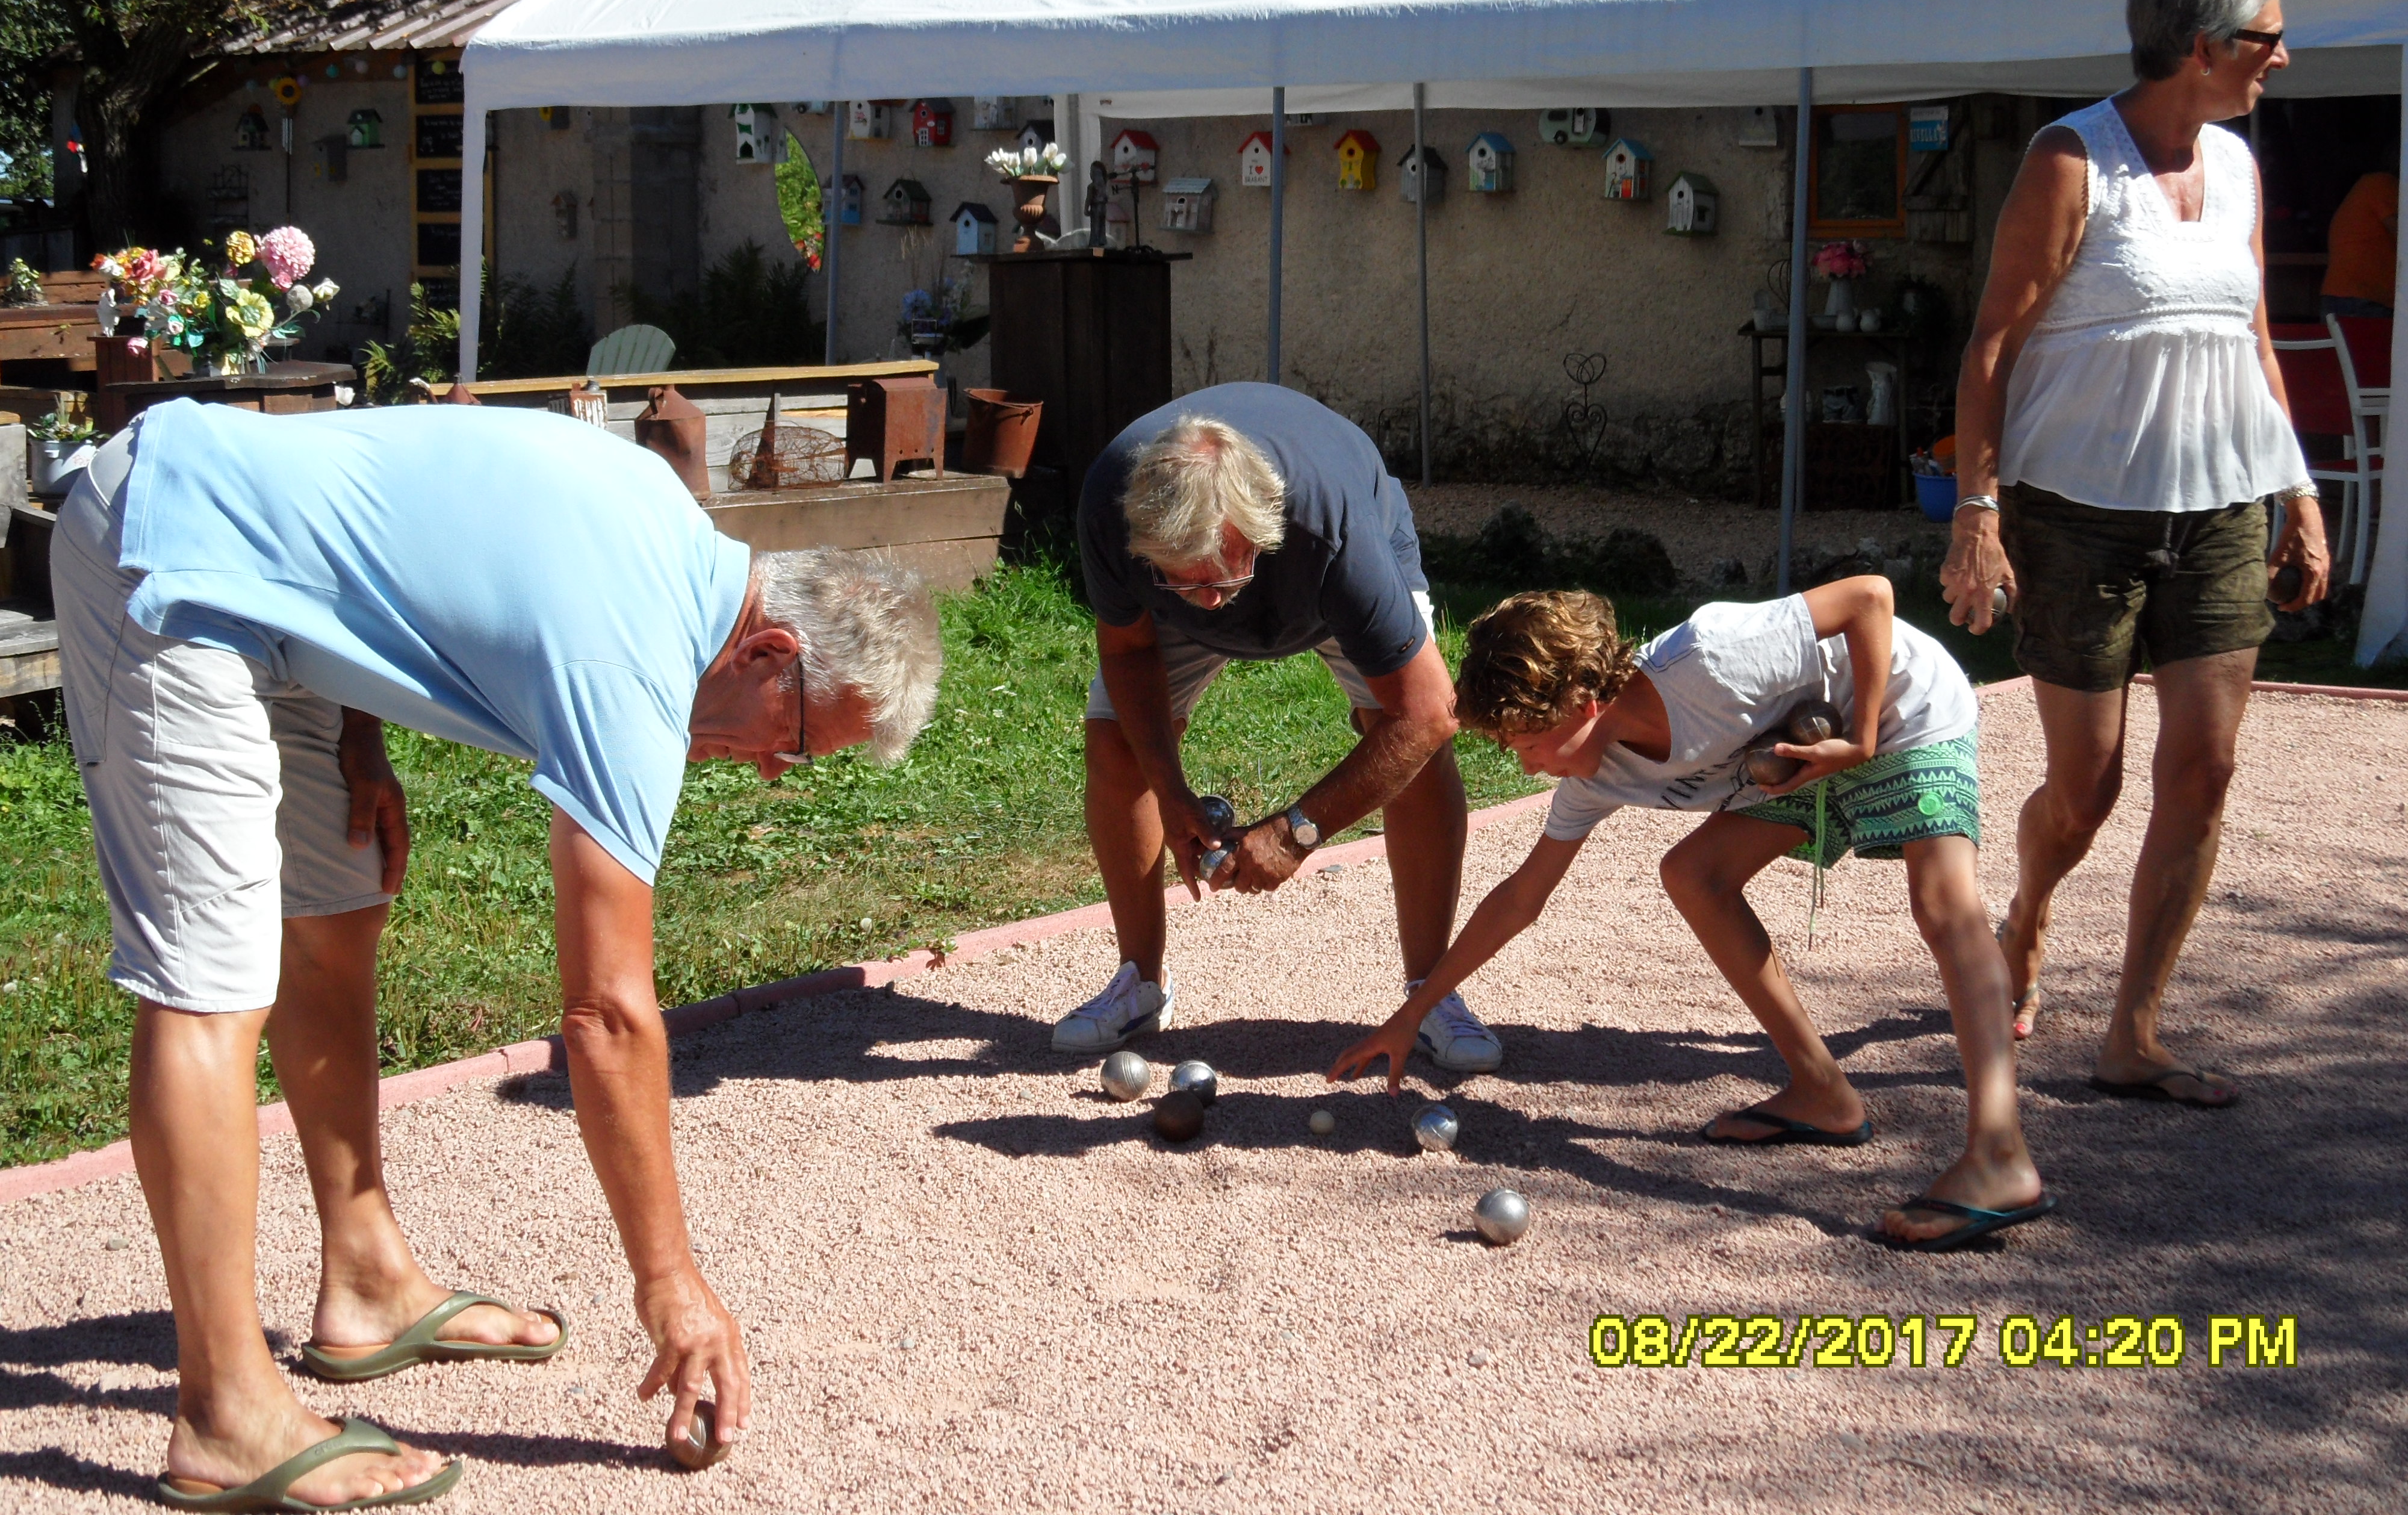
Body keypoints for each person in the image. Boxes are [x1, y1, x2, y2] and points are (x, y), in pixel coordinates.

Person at [52, 400, 942, 1510]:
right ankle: (227, 1410)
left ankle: (368, 1282)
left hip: (264, 589)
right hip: (168, 556)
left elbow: (398, 522)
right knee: (212, 983)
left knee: (335, 910)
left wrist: (357, 720)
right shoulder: (636, 653)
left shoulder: (667, 541)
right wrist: (671, 1284)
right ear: (770, 652)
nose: (771, 772)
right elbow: (608, 1015)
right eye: (797, 742)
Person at [1332, 582, 2049, 1253]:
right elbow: (1521, 898)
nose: (1524, 768)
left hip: (1895, 701)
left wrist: (1859, 740)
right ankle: (1822, 1093)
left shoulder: (1710, 657)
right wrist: (1415, 1010)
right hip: (1800, 753)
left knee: (1944, 905)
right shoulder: (1599, 770)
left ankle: (1998, 1156)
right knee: (1695, 875)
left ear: (1582, 704)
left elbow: (1870, 596)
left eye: (1525, 744)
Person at [1942, 0, 2328, 1103]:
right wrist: (1973, 509)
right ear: (2200, 44)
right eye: (2265, 39)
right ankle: (2027, 908)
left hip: (2216, 510)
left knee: (2203, 770)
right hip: (2080, 517)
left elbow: (2250, 339)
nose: (2281, 60)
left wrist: (2297, 493)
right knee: (2085, 791)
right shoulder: (2072, 162)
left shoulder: (2244, 170)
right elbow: (1992, 344)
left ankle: (2133, 1033)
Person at [1052, 383, 1498, 1072]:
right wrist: (1170, 794)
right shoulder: (1114, 511)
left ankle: (1429, 993)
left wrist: (1296, 831)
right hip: (1218, 569)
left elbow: (1429, 712)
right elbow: (1128, 652)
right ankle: (1140, 983)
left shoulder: (1332, 531)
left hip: (1321, 578)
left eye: (1220, 574)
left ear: (1251, 529)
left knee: (1407, 740)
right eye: (1182, 581)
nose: (1208, 602)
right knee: (1115, 743)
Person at [2321, 166, 2398, 319]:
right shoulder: (2382, 183)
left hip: (2345, 296)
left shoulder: (2367, 188)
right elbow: (2403, 234)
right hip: (2364, 298)